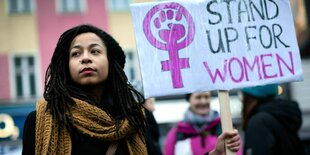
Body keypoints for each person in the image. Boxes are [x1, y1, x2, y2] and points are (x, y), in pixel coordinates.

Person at [22, 24, 241, 155]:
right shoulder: (42, 121)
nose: (86, 57)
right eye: (76, 53)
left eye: (95, 51)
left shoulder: (135, 119)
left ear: (111, 63)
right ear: (66, 67)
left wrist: (215, 153)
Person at [164, 92, 242, 155]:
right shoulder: (177, 132)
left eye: (206, 97)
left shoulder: (224, 128)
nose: (203, 101)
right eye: (198, 97)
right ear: (189, 99)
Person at [240, 84, 305, 155]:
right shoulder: (282, 115)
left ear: (249, 98)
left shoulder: (259, 122)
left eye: (242, 94)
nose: (241, 99)